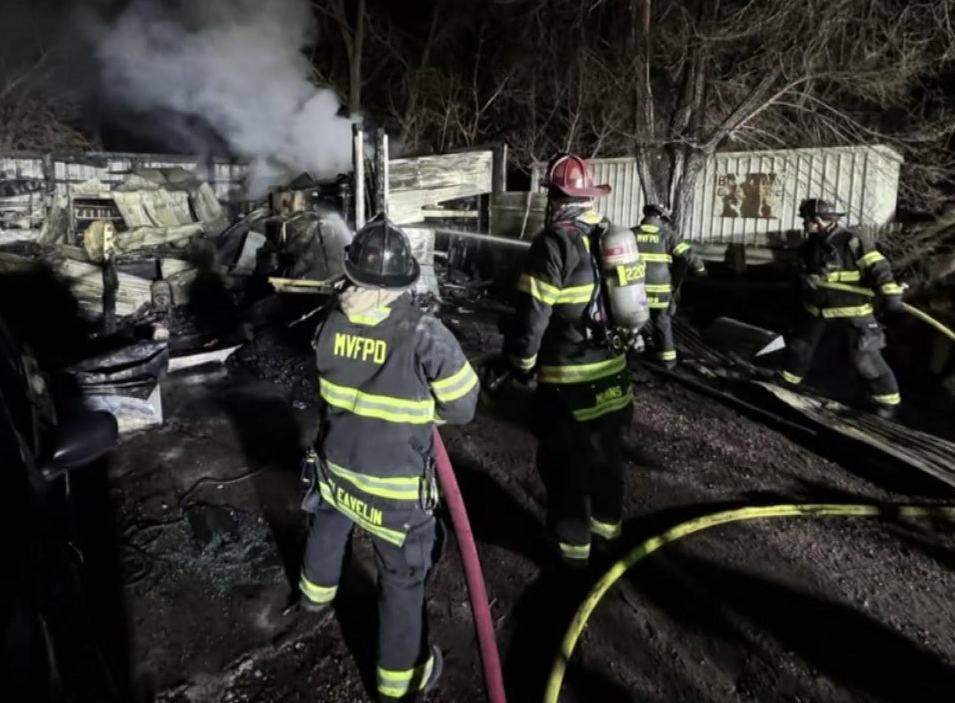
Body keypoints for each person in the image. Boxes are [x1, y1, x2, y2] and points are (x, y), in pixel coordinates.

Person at [297, 219, 480, 702]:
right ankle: (400, 684)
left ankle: (313, 596)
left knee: (327, 522)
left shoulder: (329, 323)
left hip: (337, 470)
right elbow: (463, 406)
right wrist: (424, 410)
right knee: (402, 579)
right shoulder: (424, 334)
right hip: (394, 493)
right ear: (404, 279)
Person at [497, 153, 633, 567]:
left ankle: (570, 553)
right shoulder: (609, 235)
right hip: (615, 375)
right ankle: (608, 535)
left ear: (556, 197)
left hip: (569, 382)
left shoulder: (553, 244)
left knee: (566, 467)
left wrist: (521, 364)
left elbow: (533, 317)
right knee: (607, 459)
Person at [779, 198, 905, 418]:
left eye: (806, 219)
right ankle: (785, 384)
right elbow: (800, 272)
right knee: (799, 348)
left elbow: (878, 267)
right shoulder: (809, 247)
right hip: (816, 310)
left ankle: (887, 405)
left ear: (817, 220)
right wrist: (805, 280)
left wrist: (890, 294)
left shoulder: (852, 242)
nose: (804, 223)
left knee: (865, 359)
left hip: (853, 311)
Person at [633, 203, 706, 367]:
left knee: (633, 323)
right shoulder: (667, 235)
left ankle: (632, 356)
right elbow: (688, 254)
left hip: (636, 291)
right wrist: (700, 270)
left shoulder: (631, 234)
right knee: (662, 323)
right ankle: (668, 360)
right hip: (660, 292)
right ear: (660, 219)